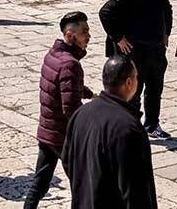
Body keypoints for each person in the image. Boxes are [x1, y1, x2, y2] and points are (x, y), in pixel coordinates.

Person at [61, 55, 157, 209]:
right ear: (129, 82)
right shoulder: (128, 128)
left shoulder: (81, 114)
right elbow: (136, 189)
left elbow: (67, 160)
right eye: (136, 77)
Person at [23, 12, 93, 209]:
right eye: (84, 32)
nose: (88, 36)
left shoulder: (53, 55)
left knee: (40, 182)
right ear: (70, 34)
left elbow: (63, 86)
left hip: (47, 130)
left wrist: (90, 94)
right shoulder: (70, 64)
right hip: (62, 136)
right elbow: (70, 108)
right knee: (82, 185)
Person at [99, 0, 173, 139]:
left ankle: (152, 124)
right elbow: (105, 12)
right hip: (134, 51)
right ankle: (131, 126)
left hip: (155, 50)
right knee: (134, 91)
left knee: (155, 89)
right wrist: (118, 38)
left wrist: (166, 34)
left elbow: (167, 10)